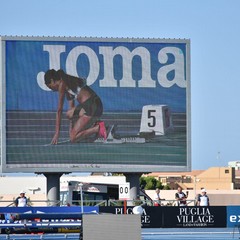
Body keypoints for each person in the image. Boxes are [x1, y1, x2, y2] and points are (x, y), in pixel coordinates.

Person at [44, 69, 107, 144]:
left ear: (52, 80)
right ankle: (96, 123)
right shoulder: (67, 81)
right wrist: (72, 129)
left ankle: (99, 128)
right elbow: (72, 110)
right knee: (69, 114)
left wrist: (57, 134)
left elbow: (59, 110)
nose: (52, 90)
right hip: (96, 105)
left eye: (50, 87)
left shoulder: (62, 84)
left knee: (73, 138)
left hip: (91, 106)